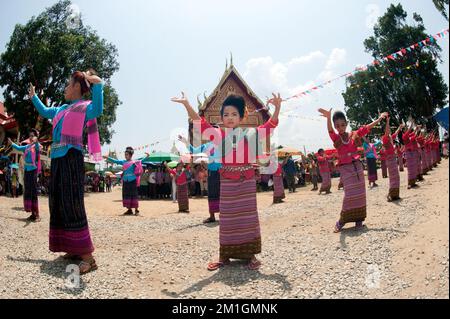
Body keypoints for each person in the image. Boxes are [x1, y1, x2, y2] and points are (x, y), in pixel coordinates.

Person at [171, 91, 281, 271]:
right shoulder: (218, 136)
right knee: (228, 218)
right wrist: (186, 104)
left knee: (248, 217)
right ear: (222, 117)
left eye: (234, 114)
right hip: (228, 183)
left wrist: (278, 108)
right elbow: (199, 123)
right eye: (226, 114)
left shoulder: (251, 134)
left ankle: (250, 254)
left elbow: (271, 125)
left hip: (246, 183)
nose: (229, 118)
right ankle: (225, 255)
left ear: (242, 115)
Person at [30, 70, 103, 274]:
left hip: (72, 158)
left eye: (67, 84)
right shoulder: (61, 109)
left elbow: (98, 108)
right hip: (57, 159)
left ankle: (88, 257)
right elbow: (45, 111)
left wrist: (97, 85)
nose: (64, 88)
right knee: (57, 201)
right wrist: (33, 97)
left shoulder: (84, 107)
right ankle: (73, 248)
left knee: (72, 202)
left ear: (77, 87)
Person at [318, 107, 387, 233]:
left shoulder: (354, 135)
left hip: (357, 168)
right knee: (349, 195)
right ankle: (341, 221)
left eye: (342, 125)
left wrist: (380, 118)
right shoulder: (336, 139)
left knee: (360, 193)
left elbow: (367, 127)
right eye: (337, 126)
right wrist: (328, 117)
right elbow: (330, 131)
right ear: (335, 126)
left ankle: (359, 219)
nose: (340, 128)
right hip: (346, 169)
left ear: (346, 124)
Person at [179, 135, 222, 223]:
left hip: (223, 172)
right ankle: (212, 216)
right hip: (212, 171)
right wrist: (186, 142)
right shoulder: (206, 146)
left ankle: (224, 215)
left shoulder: (223, 144)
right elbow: (194, 150)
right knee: (212, 193)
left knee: (224, 193)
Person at [9, 130, 42, 221]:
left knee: (33, 192)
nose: (31, 137)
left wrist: (36, 141)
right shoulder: (27, 147)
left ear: (35, 137)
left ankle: (37, 214)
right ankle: (32, 213)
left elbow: (37, 149)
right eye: (30, 136)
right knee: (28, 191)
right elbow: (18, 148)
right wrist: (12, 143)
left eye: (32, 136)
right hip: (27, 171)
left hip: (33, 171)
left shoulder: (37, 146)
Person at [106, 147, 143, 216]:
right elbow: (115, 161)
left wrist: (147, 156)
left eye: (127, 154)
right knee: (126, 195)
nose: (125, 156)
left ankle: (136, 210)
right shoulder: (123, 162)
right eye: (125, 154)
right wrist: (108, 157)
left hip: (132, 181)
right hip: (125, 181)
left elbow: (141, 161)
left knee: (134, 194)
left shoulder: (134, 162)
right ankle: (129, 210)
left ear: (130, 155)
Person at [382, 117, 403, 202]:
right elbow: (387, 132)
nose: (389, 129)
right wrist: (387, 121)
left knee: (396, 176)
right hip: (389, 159)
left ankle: (396, 195)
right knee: (392, 177)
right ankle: (390, 195)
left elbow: (396, 132)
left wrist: (400, 128)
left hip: (393, 158)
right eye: (388, 128)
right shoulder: (384, 138)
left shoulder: (390, 137)